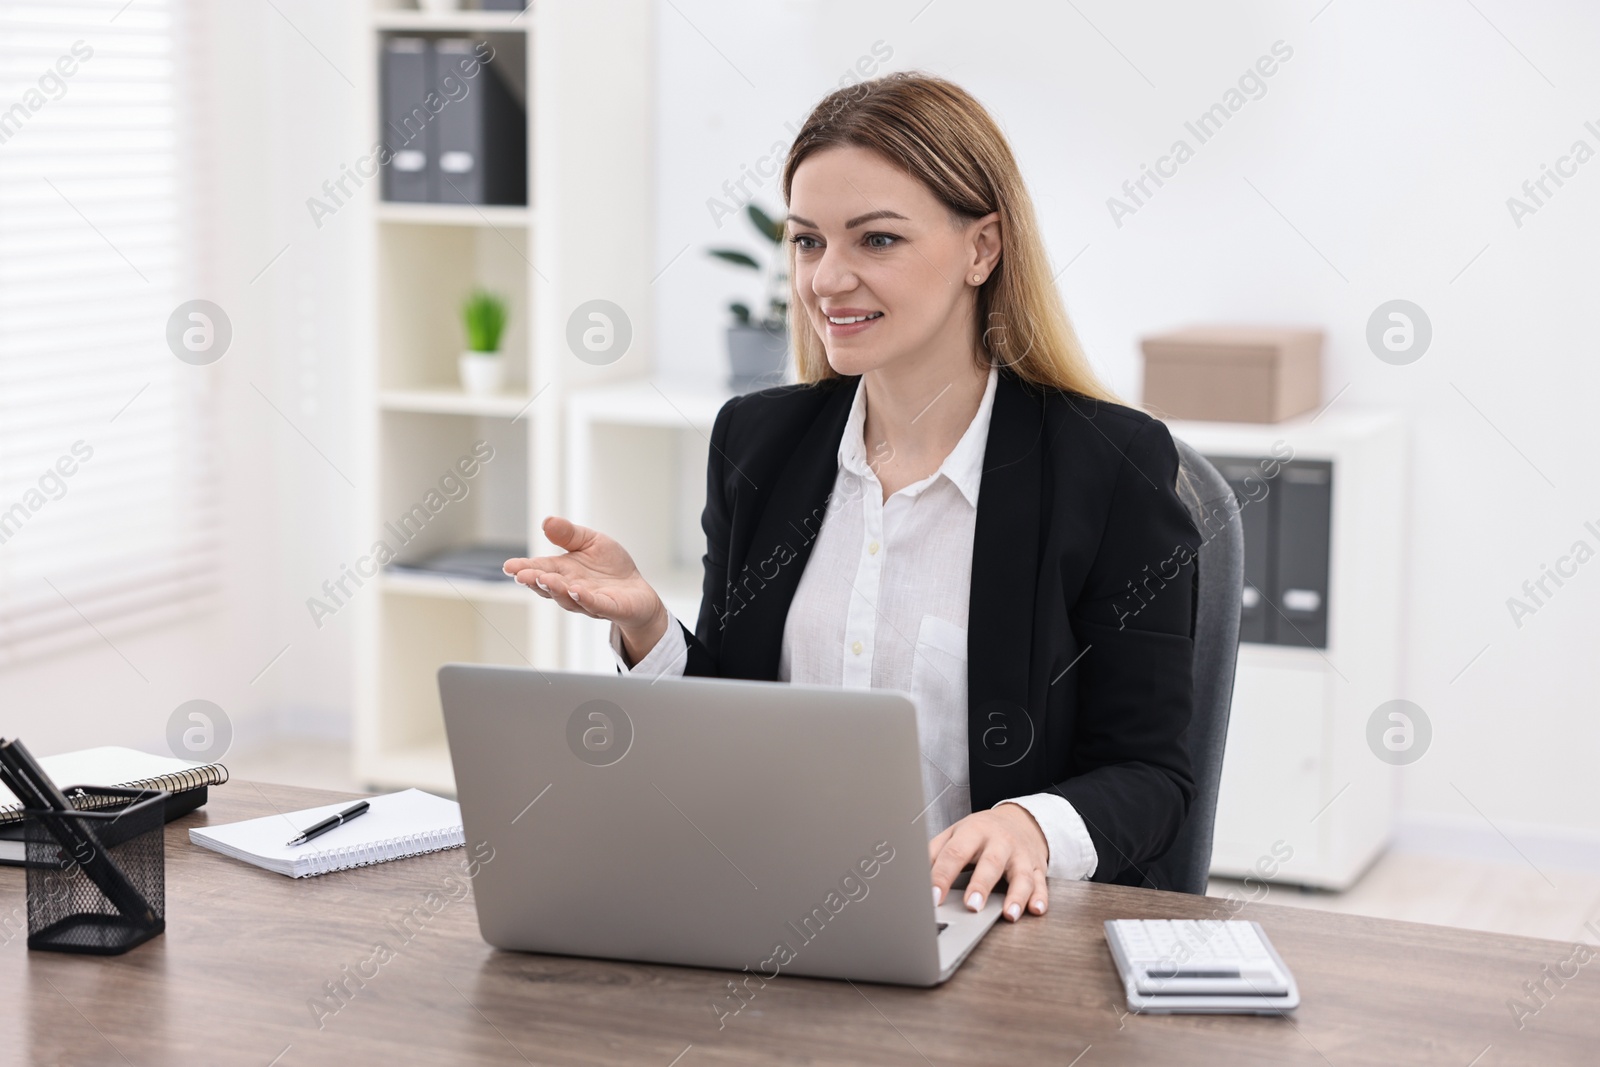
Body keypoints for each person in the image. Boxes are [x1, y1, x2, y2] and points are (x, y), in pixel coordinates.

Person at [504, 71, 1201, 926]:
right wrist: (649, 628)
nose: (827, 279)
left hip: (997, 936)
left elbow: (1151, 776)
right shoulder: (759, 444)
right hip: (775, 911)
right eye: (806, 242)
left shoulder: (1110, 466)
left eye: (875, 240)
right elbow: (736, 720)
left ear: (982, 249)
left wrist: (1031, 823)